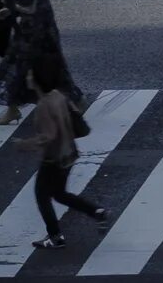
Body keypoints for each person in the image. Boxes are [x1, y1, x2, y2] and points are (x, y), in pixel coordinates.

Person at [19, 73, 110, 249]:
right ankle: (97, 212)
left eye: (31, 74)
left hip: (53, 157)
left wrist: (25, 144)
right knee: (59, 194)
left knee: (42, 196)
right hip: (69, 151)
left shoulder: (44, 105)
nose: (28, 76)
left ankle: (55, 236)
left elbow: (48, 136)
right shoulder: (59, 96)